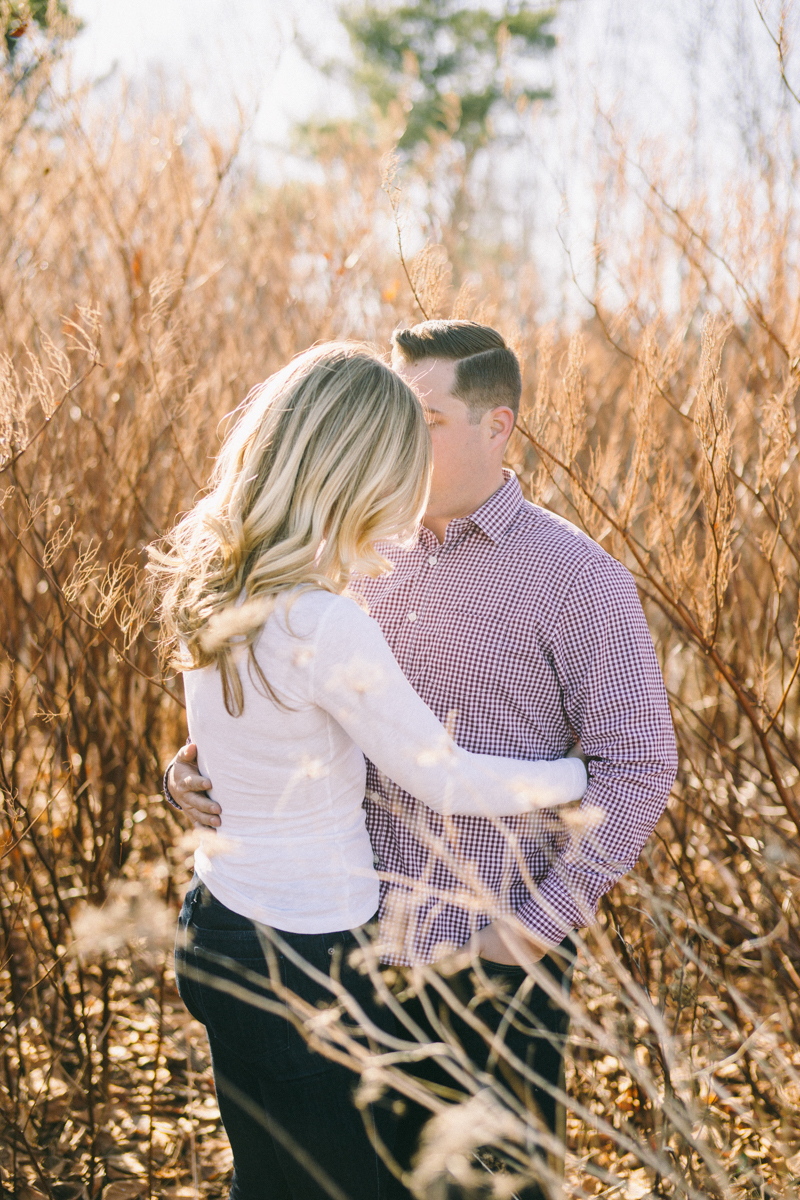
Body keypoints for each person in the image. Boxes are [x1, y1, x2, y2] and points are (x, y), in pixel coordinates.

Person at [166, 322, 678, 1198]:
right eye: (393, 419)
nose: (403, 442)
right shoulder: (343, 551)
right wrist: (198, 765)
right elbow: (284, 706)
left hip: (487, 966)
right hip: (342, 956)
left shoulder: (575, 578)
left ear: (498, 426)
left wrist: (533, 928)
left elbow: (636, 768)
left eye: (426, 420)